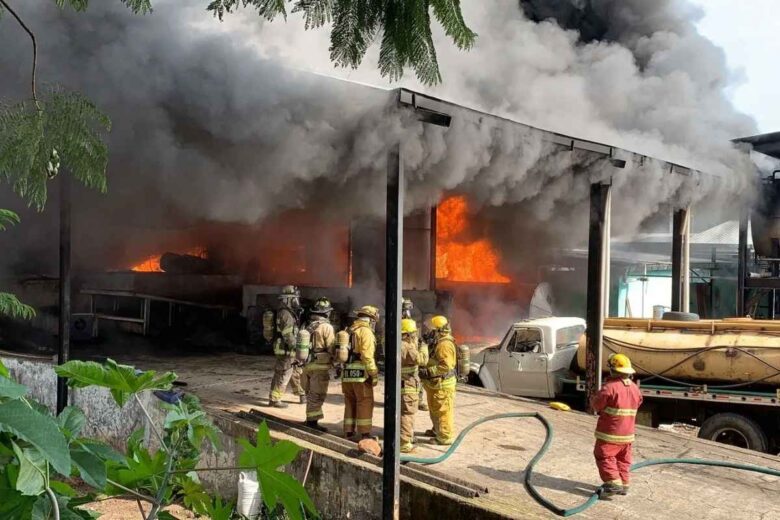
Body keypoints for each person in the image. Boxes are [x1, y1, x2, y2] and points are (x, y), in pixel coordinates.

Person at [590, 353, 643, 498]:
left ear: (612, 370)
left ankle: (613, 483)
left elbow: (596, 405)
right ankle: (624, 484)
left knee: (604, 456)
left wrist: (594, 398)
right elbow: (638, 403)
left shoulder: (609, 388)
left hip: (610, 433)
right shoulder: (635, 389)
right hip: (628, 435)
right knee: (623, 459)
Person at [342, 305, 380, 440]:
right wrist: (373, 374)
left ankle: (348, 432)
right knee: (365, 401)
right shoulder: (366, 332)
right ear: (370, 319)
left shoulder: (350, 329)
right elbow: (367, 356)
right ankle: (365, 434)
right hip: (361, 372)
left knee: (350, 401)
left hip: (346, 372)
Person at [420, 315, 457, 445]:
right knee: (435, 408)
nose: (429, 332)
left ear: (438, 330)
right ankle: (437, 430)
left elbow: (446, 366)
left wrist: (429, 371)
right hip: (435, 384)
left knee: (443, 411)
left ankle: (445, 437)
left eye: (431, 329)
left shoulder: (444, 344)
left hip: (443, 384)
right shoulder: (438, 341)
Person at [301, 297, 336, 432]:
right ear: (326, 313)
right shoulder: (326, 327)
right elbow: (331, 347)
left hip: (307, 365)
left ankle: (310, 420)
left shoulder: (308, 325)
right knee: (317, 395)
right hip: (320, 366)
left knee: (310, 394)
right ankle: (312, 423)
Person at [268, 285, 306, 408]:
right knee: (283, 373)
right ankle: (275, 399)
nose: (297, 301)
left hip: (288, 348)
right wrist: (296, 347)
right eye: (295, 298)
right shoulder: (286, 314)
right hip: (285, 349)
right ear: (288, 299)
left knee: (295, 371)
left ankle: (301, 394)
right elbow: (288, 334)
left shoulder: (288, 312)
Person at [400, 318, 427, 453]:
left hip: (399, 384)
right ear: (407, 334)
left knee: (400, 412)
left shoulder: (395, 343)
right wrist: (424, 347)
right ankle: (404, 442)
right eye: (413, 333)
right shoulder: (407, 347)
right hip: (408, 385)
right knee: (407, 413)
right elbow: (422, 360)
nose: (415, 336)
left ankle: (405, 437)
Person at [402, 298, 428, 412]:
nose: (407, 311)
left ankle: (419, 400)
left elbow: (415, 335)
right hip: (405, 355)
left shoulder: (411, 321)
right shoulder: (394, 321)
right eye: (405, 308)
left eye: (408, 308)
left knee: (417, 377)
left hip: (413, 352)